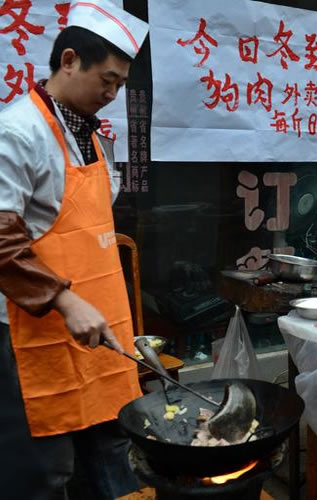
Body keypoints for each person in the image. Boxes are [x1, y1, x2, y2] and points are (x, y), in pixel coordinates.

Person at [0, 1, 149, 498]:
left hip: (97, 320)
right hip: (31, 328)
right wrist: (64, 299)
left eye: (120, 85)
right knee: (44, 467)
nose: (112, 94)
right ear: (67, 61)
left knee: (111, 440)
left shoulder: (90, 136)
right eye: (106, 80)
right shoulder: (16, 131)